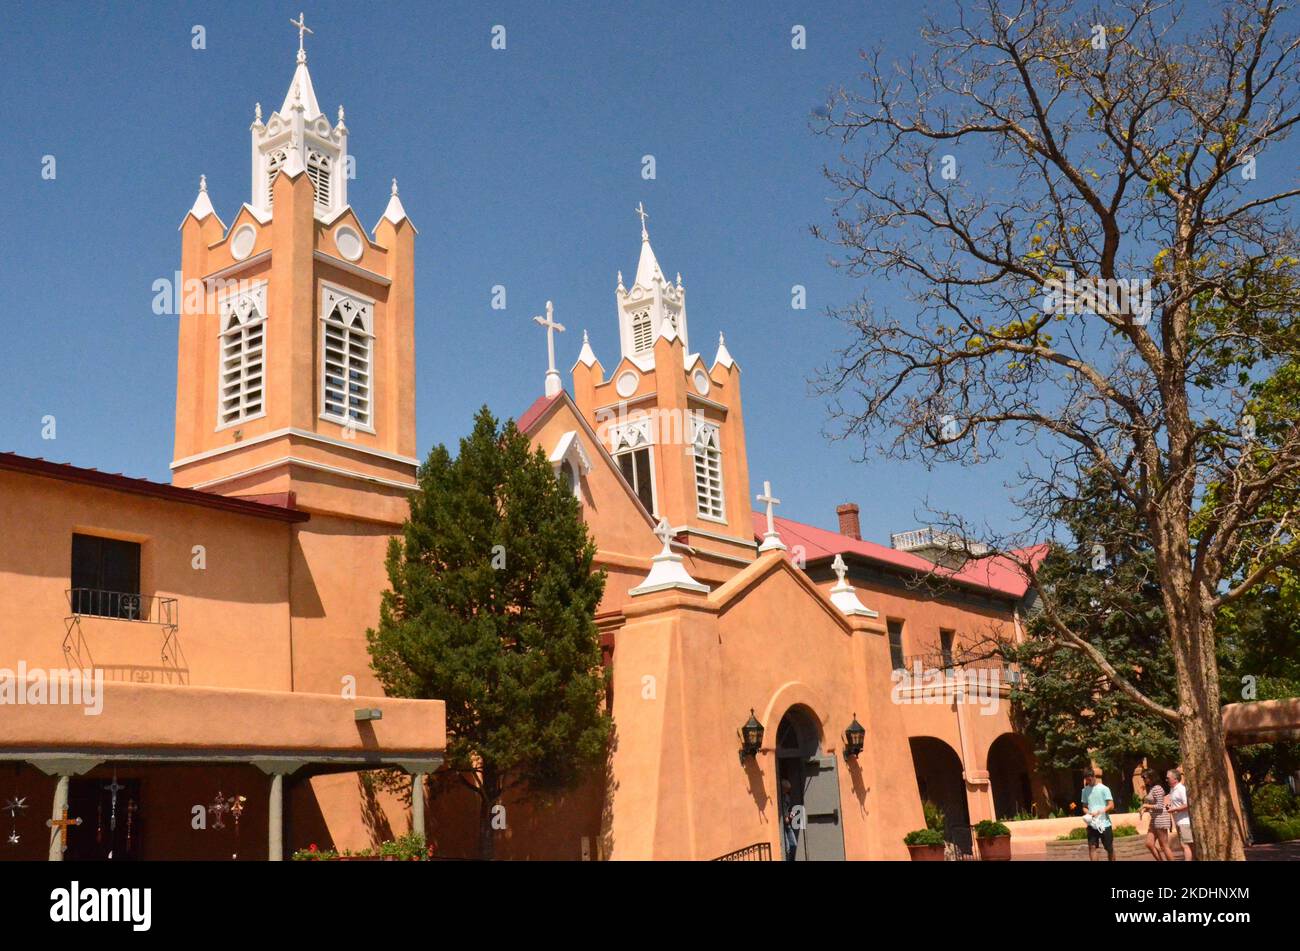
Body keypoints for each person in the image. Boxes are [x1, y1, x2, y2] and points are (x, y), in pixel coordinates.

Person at [1139, 768, 1175, 861]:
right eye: (1142, 777)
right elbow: (1152, 804)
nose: (1143, 779)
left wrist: (1146, 805)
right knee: (1149, 844)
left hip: (1160, 818)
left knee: (1164, 846)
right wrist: (1144, 809)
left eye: (1144, 777)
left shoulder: (1157, 788)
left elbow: (1159, 806)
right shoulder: (1152, 788)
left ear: (1151, 777)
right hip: (1154, 819)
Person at [1083, 767, 1116, 861]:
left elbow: (1111, 805)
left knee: (1109, 848)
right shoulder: (1084, 791)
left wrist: (1100, 811)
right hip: (1092, 824)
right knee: (1092, 847)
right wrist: (1089, 813)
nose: (1089, 781)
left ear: (1094, 777)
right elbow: (1084, 807)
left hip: (1104, 824)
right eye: (1087, 780)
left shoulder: (1104, 788)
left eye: (1090, 779)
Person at [1166, 768, 1194, 861]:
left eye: (1168, 778)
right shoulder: (1172, 789)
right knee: (1185, 845)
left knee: (1185, 845)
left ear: (1175, 779)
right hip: (1178, 821)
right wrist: (1170, 807)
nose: (1166, 780)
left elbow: (1187, 804)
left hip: (1185, 821)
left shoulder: (1181, 789)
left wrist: (1175, 809)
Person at [780, 778, 800, 861]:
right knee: (787, 847)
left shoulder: (787, 797)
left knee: (794, 845)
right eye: (786, 789)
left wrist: (791, 815)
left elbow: (789, 809)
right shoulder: (778, 798)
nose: (787, 791)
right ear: (782, 788)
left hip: (787, 825)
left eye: (788, 790)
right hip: (781, 825)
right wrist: (785, 817)